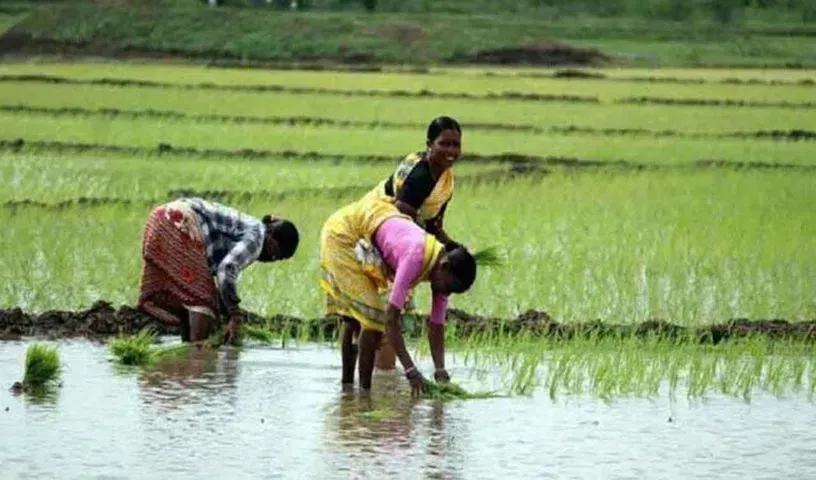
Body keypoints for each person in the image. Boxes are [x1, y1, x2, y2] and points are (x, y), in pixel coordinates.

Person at [319, 195, 477, 396]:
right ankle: (364, 397)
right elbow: (391, 319)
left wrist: (440, 370)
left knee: (356, 319)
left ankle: (349, 390)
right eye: (448, 288)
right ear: (445, 267)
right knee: (373, 318)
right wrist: (411, 371)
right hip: (343, 234)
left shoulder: (441, 273)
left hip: (370, 225)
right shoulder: (416, 256)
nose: (445, 293)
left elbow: (437, 325)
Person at [363, 115, 465, 369]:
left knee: (389, 312)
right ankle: (379, 377)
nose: (451, 151)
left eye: (456, 145)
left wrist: (454, 249)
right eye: (445, 144)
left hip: (402, 241)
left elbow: (434, 226)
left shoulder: (444, 180)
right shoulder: (419, 174)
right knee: (387, 311)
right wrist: (435, 250)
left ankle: (378, 377)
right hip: (380, 231)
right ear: (430, 144)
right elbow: (402, 214)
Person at [138, 197, 299, 345]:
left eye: (275, 260)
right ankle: (196, 356)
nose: (269, 259)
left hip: (159, 218)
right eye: (274, 253)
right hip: (180, 223)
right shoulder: (258, 236)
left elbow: (220, 278)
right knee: (204, 304)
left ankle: (187, 358)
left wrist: (226, 309)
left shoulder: (249, 228)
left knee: (193, 301)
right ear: (271, 234)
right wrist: (234, 314)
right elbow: (227, 269)